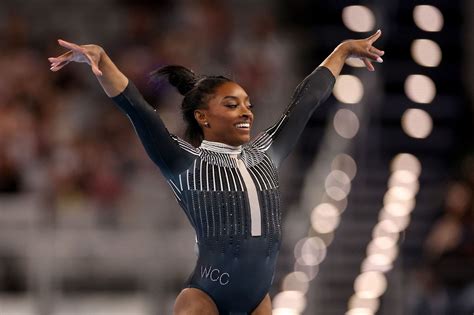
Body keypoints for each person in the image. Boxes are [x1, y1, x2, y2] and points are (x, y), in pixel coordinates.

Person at [48, 30, 384, 315]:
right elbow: (138, 109)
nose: (246, 112)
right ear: (203, 118)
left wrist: (341, 51)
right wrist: (102, 61)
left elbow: (307, 99)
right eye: (232, 105)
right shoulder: (183, 162)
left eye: (248, 104)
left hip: (257, 301)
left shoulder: (266, 152)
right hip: (204, 299)